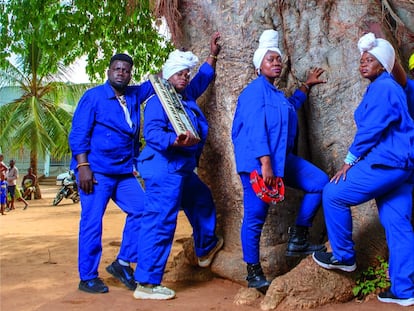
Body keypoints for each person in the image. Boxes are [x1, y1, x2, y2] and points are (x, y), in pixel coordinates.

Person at [312, 33, 414, 307]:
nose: (362, 64)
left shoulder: (384, 87)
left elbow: (370, 131)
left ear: (383, 65)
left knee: (333, 192)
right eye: (361, 60)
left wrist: (349, 161)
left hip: (387, 162)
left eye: (370, 60)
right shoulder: (389, 87)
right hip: (403, 167)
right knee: (398, 224)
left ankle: (344, 257)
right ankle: (404, 291)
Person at [231, 29, 329, 293]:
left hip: (282, 161)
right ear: (259, 65)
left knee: (320, 182)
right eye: (270, 59)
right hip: (258, 163)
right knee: (255, 216)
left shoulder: (275, 95)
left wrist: (306, 86)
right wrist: (265, 164)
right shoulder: (253, 92)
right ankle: (253, 274)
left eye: (278, 59)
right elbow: (255, 129)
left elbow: (290, 106)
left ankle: (299, 236)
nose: (276, 63)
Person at [133, 32, 223, 300]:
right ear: (168, 76)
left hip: (181, 171)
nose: (184, 77)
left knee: (202, 200)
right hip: (164, 169)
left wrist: (213, 54)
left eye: (185, 73)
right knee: (161, 221)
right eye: (179, 74)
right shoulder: (159, 102)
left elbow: (203, 79)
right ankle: (146, 284)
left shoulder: (183, 98)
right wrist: (175, 140)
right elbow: (152, 134)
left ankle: (205, 247)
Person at [69, 53, 154, 294]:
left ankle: (123, 262)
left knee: (143, 209)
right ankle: (87, 277)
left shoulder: (134, 95)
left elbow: (157, 83)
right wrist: (83, 166)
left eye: (126, 70)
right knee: (92, 223)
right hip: (96, 173)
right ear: (109, 71)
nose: (121, 73)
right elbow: (78, 134)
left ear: (130, 74)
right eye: (117, 69)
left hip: (124, 172)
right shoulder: (94, 97)